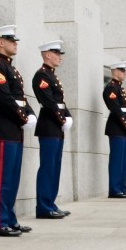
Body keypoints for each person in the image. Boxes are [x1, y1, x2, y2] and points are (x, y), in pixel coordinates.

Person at [0, 25, 36, 236]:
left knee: (12, 178)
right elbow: (5, 98)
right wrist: (23, 116)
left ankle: (9, 218)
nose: (15, 43)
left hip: (14, 127)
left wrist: (29, 113)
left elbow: (20, 97)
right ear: (0, 42)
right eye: (11, 40)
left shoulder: (10, 68)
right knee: (2, 178)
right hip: (4, 126)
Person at [32, 41, 73, 219]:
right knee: (48, 167)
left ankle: (51, 203)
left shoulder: (52, 76)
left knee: (55, 167)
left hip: (57, 127)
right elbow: (49, 102)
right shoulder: (41, 76)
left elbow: (60, 102)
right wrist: (62, 118)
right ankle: (43, 206)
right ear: (47, 54)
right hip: (49, 126)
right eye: (56, 53)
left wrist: (68, 115)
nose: (60, 57)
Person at [103, 62, 126, 198]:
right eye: (122, 70)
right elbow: (115, 109)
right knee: (116, 160)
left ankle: (122, 187)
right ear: (114, 71)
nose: (124, 73)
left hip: (123, 128)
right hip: (116, 127)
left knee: (123, 160)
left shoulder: (121, 89)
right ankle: (115, 189)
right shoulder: (111, 88)